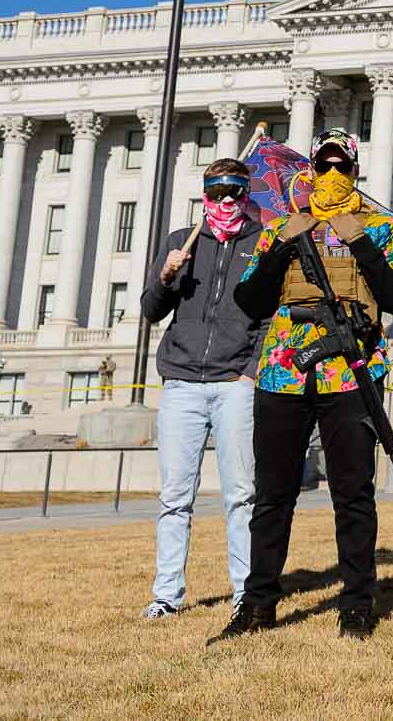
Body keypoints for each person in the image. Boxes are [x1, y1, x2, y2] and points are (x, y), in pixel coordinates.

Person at [213, 128, 393, 642]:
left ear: (354, 171)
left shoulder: (380, 228)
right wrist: (285, 242)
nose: (330, 174)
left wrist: (358, 238)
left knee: (353, 495)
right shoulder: (281, 228)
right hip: (284, 373)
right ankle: (257, 604)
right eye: (322, 164)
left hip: (352, 373)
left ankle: (356, 604)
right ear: (309, 170)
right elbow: (250, 301)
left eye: (340, 166)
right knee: (272, 497)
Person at [139, 158, 268, 621]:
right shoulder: (180, 242)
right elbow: (152, 310)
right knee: (175, 496)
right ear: (204, 195)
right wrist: (165, 276)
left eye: (234, 191)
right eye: (217, 192)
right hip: (182, 383)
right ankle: (166, 594)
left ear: (247, 194)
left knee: (241, 493)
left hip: (234, 383)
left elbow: (270, 318)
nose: (226, 201)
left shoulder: (261, 243)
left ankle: (244, 592)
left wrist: (249, 372)